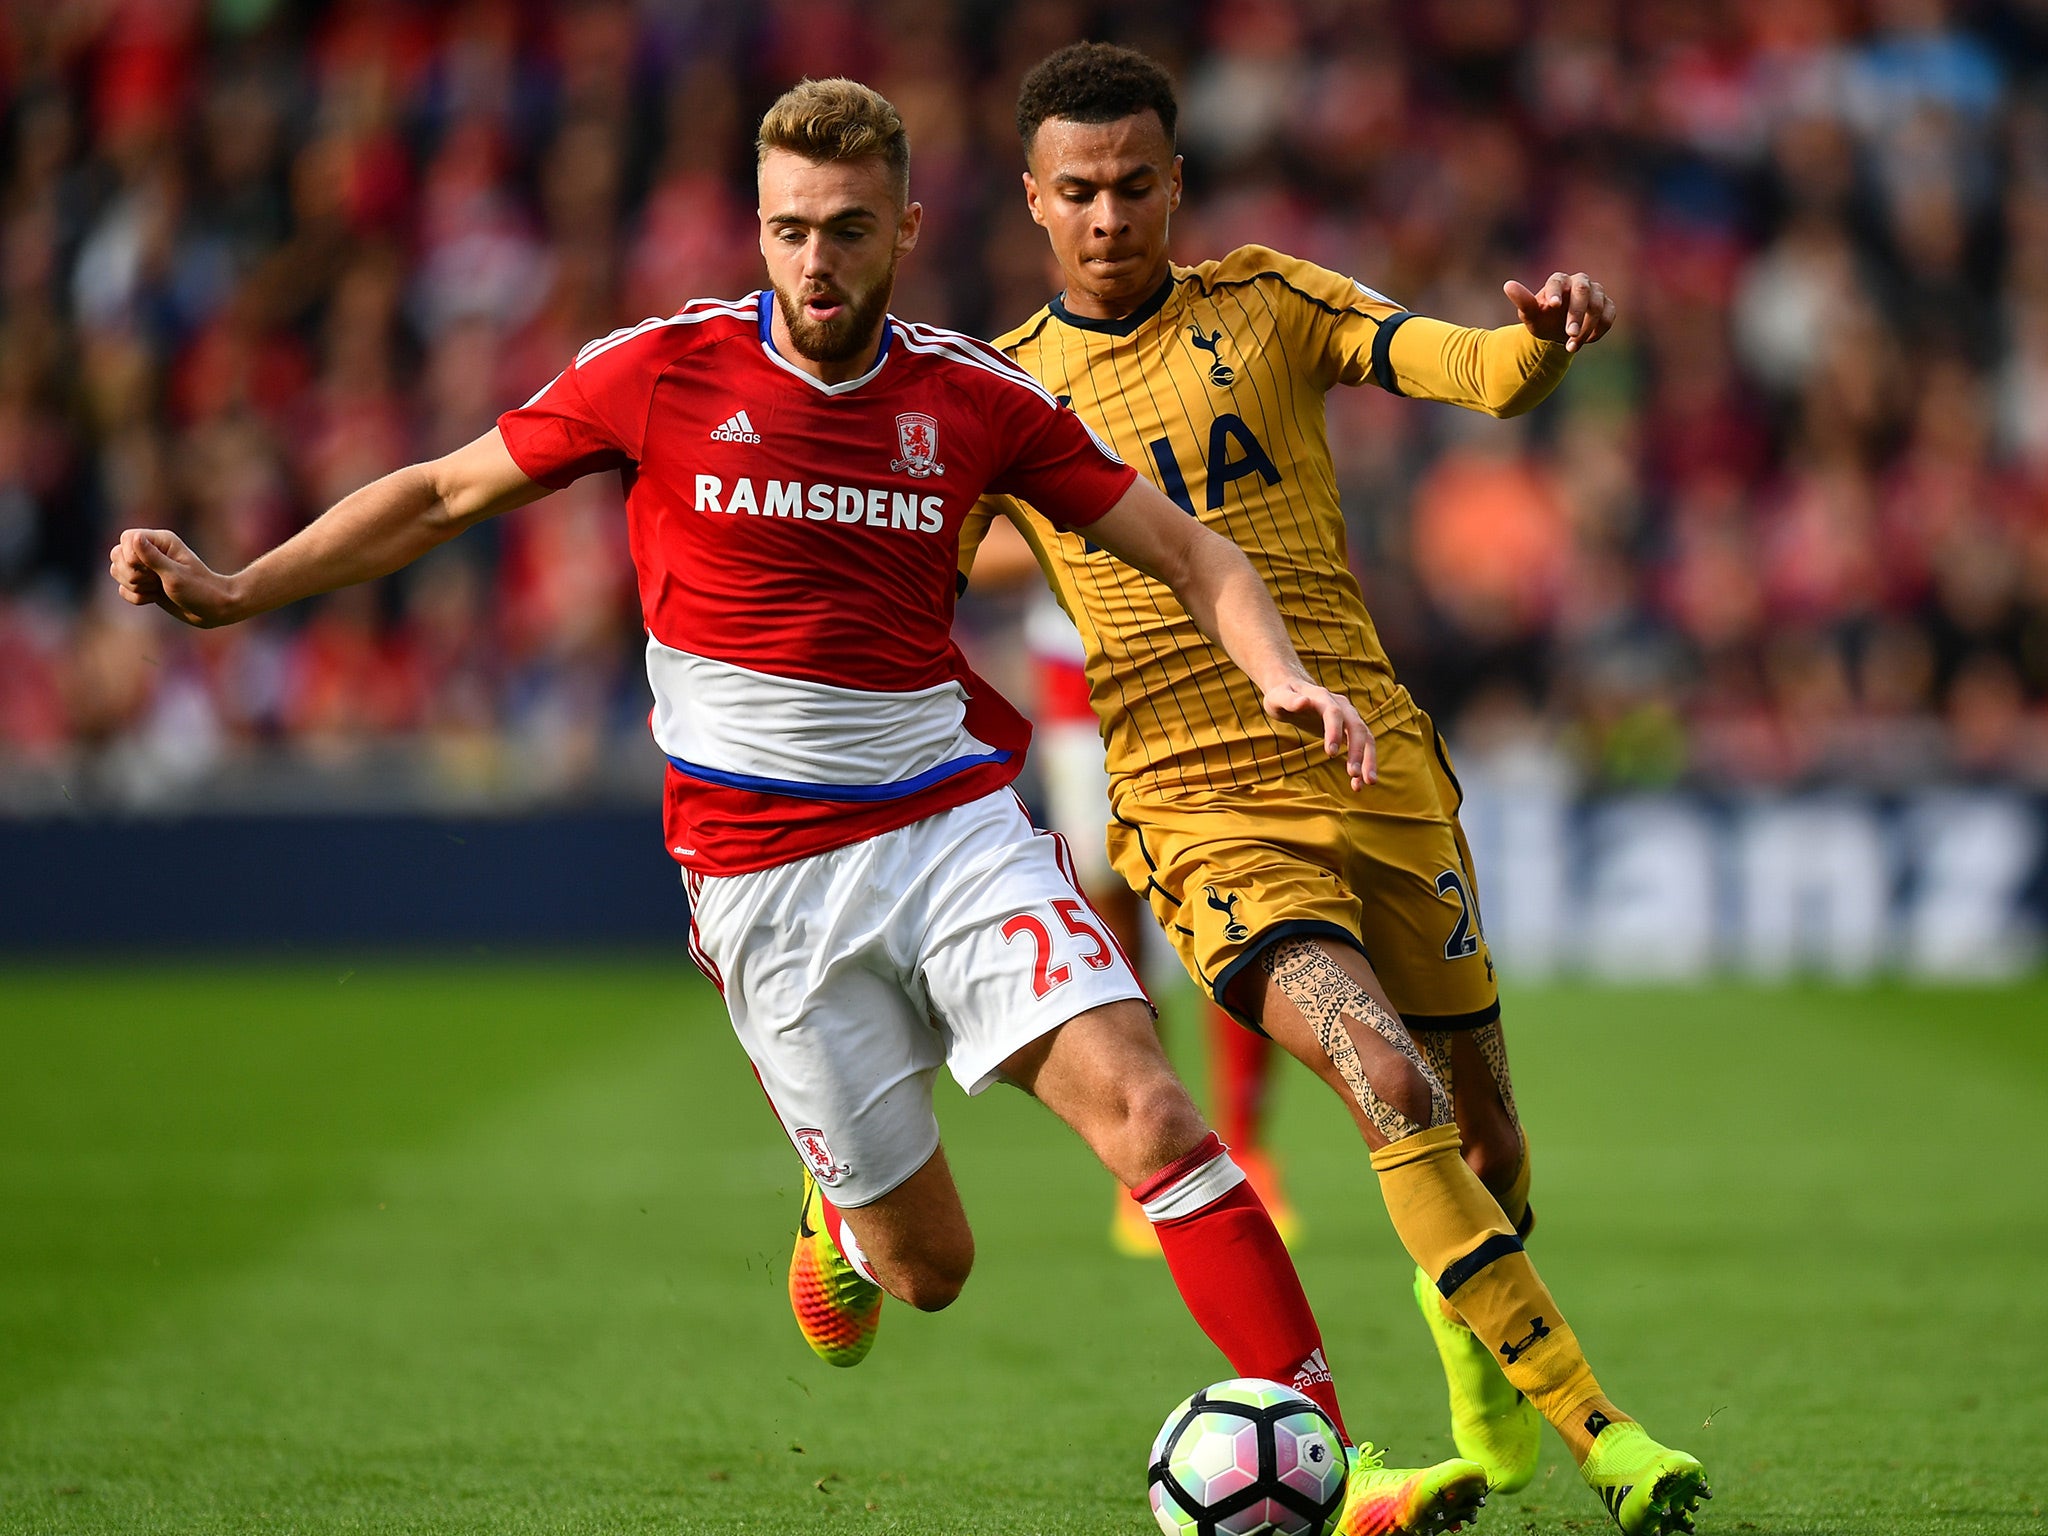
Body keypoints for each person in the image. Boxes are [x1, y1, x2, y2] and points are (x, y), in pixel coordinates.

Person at [109, 77, 1489, 1536]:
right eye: (786, 232)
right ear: (755, 233)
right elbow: (448, 495)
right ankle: (840, 1212)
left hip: (954, 830)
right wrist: (241, 586)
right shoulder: (661, 372)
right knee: (927, 1270)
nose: (815, 263)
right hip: (766, 880)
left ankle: (1329, 1460)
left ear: (902, 225)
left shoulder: (974, 398)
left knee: (1153, 1112)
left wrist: (1277, 673)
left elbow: (1190, 548)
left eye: (844, 230)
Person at [959, 43, 1710, 1536]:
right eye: (1078, 193)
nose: (1110, 217)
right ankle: (1605, 1435)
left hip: (1375, 769)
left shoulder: (1271, 303)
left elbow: (1468, 369)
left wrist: (1544, 343)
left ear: (1175, 183)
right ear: (1033, 203)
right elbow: (905, 585)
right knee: (1382, 1080)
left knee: (1490, 1148)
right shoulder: (995, 395)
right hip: (1192, 800)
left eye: (1134, 186)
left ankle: (1474, 1370)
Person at [972, 514, 1305, 1261]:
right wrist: (1071, 524)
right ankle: (1155, 1154)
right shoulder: (1024, 393)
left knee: (1233, 892)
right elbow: (965, 542)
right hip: (1080, 665)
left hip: (1206, 649)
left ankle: (1248, 1152)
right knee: (1109, 899)